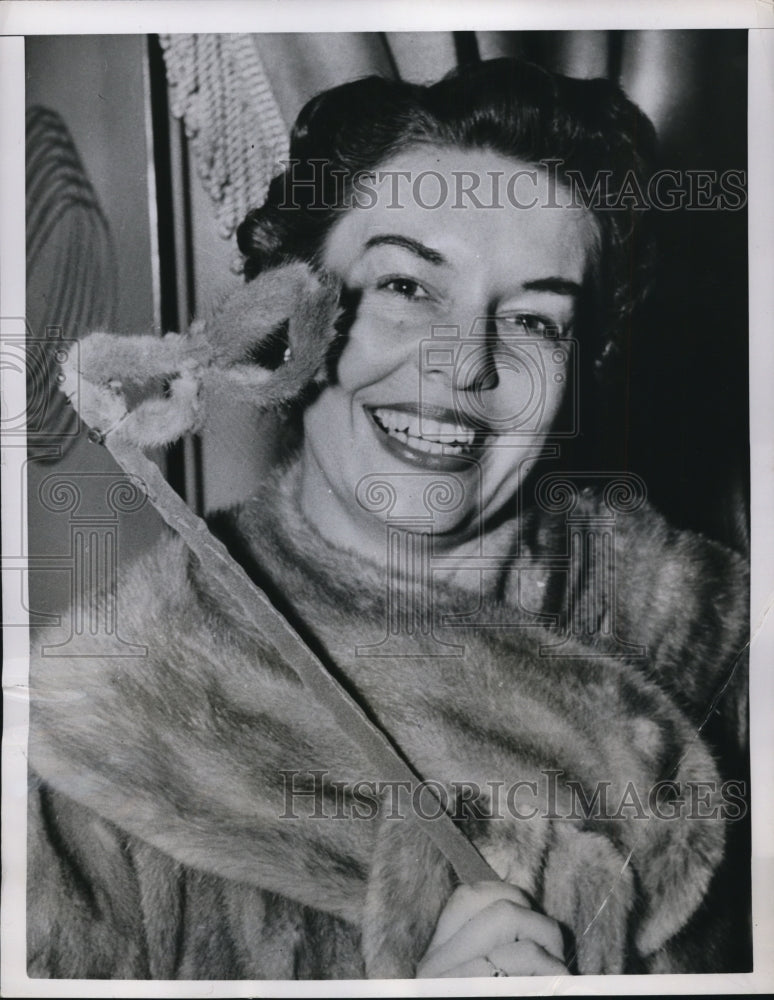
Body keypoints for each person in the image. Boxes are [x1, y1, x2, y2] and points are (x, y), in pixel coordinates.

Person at [27, 58, 750, 980]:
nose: (465, 367)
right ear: (291, 321)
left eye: (534, 322)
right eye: (408, 288)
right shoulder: (108, 720)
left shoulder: (729, 655)